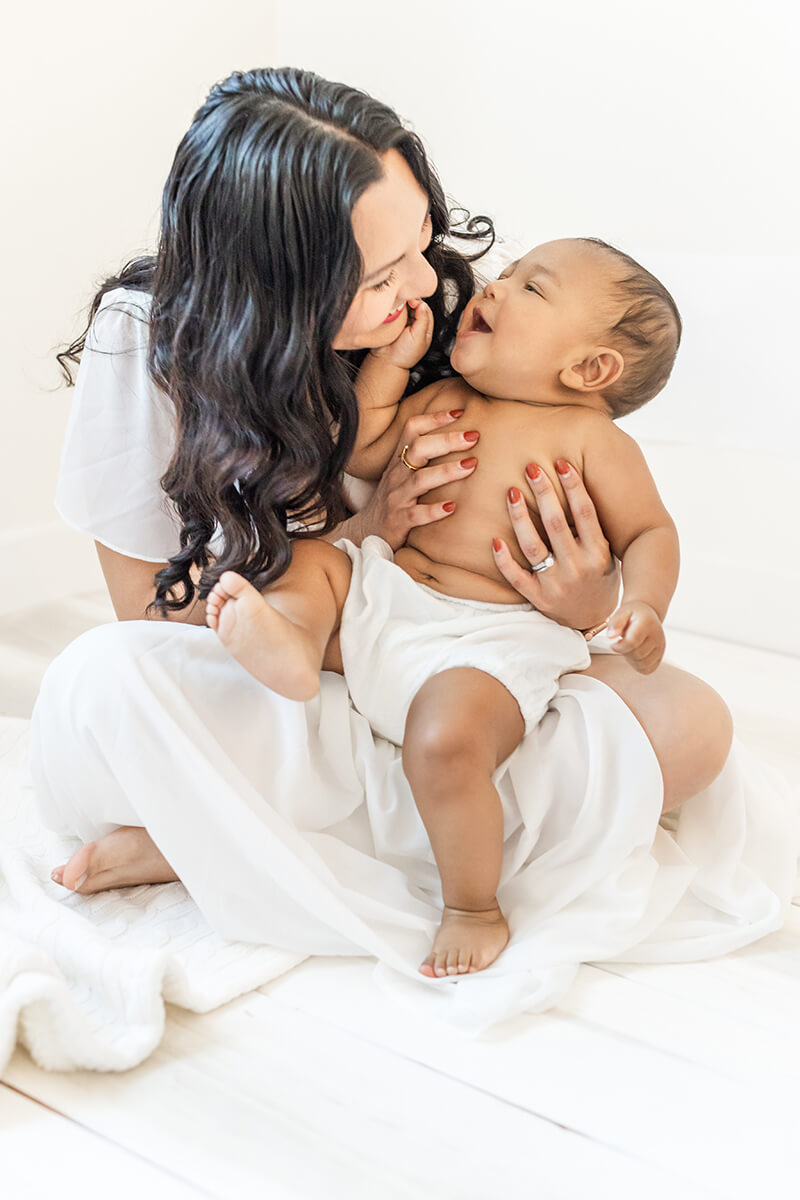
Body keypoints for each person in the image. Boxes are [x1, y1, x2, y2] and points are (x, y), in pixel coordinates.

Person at [34, 66, 785, 1029]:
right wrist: (364, 537)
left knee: (693, 729)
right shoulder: (147, 342)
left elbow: (609, 544)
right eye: (380, 276)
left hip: (461, 674)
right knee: (99, 684)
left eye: (422, 240)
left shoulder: (455, 318)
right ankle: (368, 830)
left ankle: (233, 832)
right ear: (283, 286)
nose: (428, 283)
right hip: (308, 676)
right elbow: (153, 619)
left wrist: (590, 604)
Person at [202, 237, 681, 979]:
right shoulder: (447, 399)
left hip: (491, 640)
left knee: (446, 742)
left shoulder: (594, 441)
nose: (495, 286)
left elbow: (650, 532)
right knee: (315, 561)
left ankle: (473, 905)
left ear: (589, 370)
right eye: (507, 272)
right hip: (391, 602)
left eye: (532, 288)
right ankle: (295, 641)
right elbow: (363, 450)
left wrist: (645, 604)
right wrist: (391, 366)